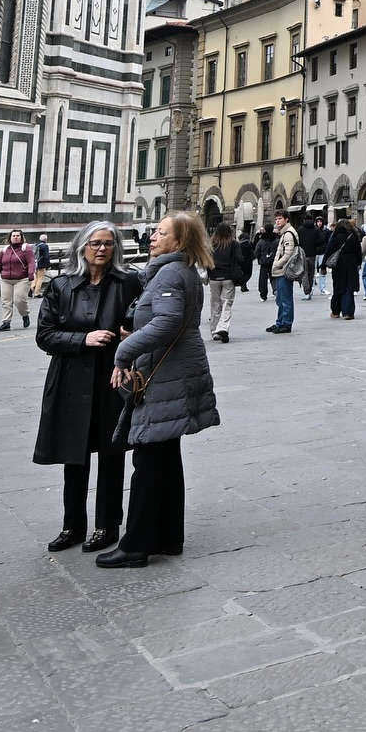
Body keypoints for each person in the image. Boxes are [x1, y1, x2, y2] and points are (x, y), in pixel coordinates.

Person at [100, 211, 219, 567]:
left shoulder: (169, 272)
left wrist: (125, 351)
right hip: (177, 369)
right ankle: (168, 537)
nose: (152, 237)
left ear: (179, 242)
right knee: (165, 456)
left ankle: (136, 545)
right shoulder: (181, 270)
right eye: (154, 231)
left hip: (166, 375)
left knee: (149, 457)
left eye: (161, 233)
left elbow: (167, 322)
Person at [32, 221, 143, 553]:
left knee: (112, 454)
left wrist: (132, 335)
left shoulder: (129, 282)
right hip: (71, 380)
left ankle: (107, 526)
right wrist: (83, 339)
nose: (102, 249)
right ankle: (72, 526)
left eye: (109, 243)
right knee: (74, 455)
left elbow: (145, 320)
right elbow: (45, 335)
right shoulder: (62, 285)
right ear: (82, 247)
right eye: (96, 243)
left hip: (113, 378)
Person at [0, 227, 36, 331]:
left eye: (18, 236)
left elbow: (31, 262)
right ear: (10, 238)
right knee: (6, 302)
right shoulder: (5, 250)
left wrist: (30, 274)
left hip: (22, 279)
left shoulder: (26, 248)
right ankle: (6, 323)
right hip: (6, 279)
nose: (15, 237)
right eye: (13, 236)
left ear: (21, 237)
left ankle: (25, 314)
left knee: (19, 300)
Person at [206, 222, 243, 343]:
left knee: (215, 305)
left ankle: (214, 331)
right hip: (228, 278)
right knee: (226, 304)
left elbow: (206, 259)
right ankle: (222, 328)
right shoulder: (233, 243)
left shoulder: (211, 244)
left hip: (214, 278)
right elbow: (240, 259)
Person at [267, 207, 300, 334]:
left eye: (280, 219)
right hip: (281, 270)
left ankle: (286, 323)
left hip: (284, 270)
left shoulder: (288, 233)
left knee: (285, 298)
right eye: (276, 219)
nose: (277, 221)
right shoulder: (285, 233)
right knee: (281, 298)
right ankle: (280, 322)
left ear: (286, 219)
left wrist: (276, 264)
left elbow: (288, 254)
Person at [323, 216, 362, 321]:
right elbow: (359, 251)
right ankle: (348, 312)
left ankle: (335, 311)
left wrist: (323, 265)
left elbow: (329, 250)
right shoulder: (354, 236)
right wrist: (359, 263)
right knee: (349, 288)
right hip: (351, 264)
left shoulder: (336, 236)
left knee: (338, 287)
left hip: (338, 265)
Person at [298, 213, 323, 300]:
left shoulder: (300, 229)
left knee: (304, 273)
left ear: (304, 219)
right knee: (311, 273)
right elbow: (321, 240)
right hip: (313, 254)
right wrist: (315, 246)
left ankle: (307, 291)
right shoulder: (316, 229)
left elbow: (297, 241)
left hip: (303, 254)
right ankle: (310, 289)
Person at [254, 223, 277, 302]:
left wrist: (259, 258)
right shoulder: (276, 240)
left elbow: (256, 252)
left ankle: (263, 295)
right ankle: (275, 290)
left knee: (263, 279)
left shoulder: (261, 240)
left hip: (264, 262)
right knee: (274, 277)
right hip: (274, 261)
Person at [235, 227, 255, 294]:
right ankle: (243, 284)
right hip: (248, 261)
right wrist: (253, 257)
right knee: (248, 274)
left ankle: (244, 285)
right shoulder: (249, 244)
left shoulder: (238, 245)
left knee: (243, 273)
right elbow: (252, 252)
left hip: (241, 261)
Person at [32, 233, 52, 299]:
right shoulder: (45, 246)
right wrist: (48, 265)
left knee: (35, 277)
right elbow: (46, 257)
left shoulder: (36, 245)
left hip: (35, 263)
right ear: (45, 239)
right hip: (41, 264)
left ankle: (31, 289)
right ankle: (37, 293)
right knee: (40, 278)